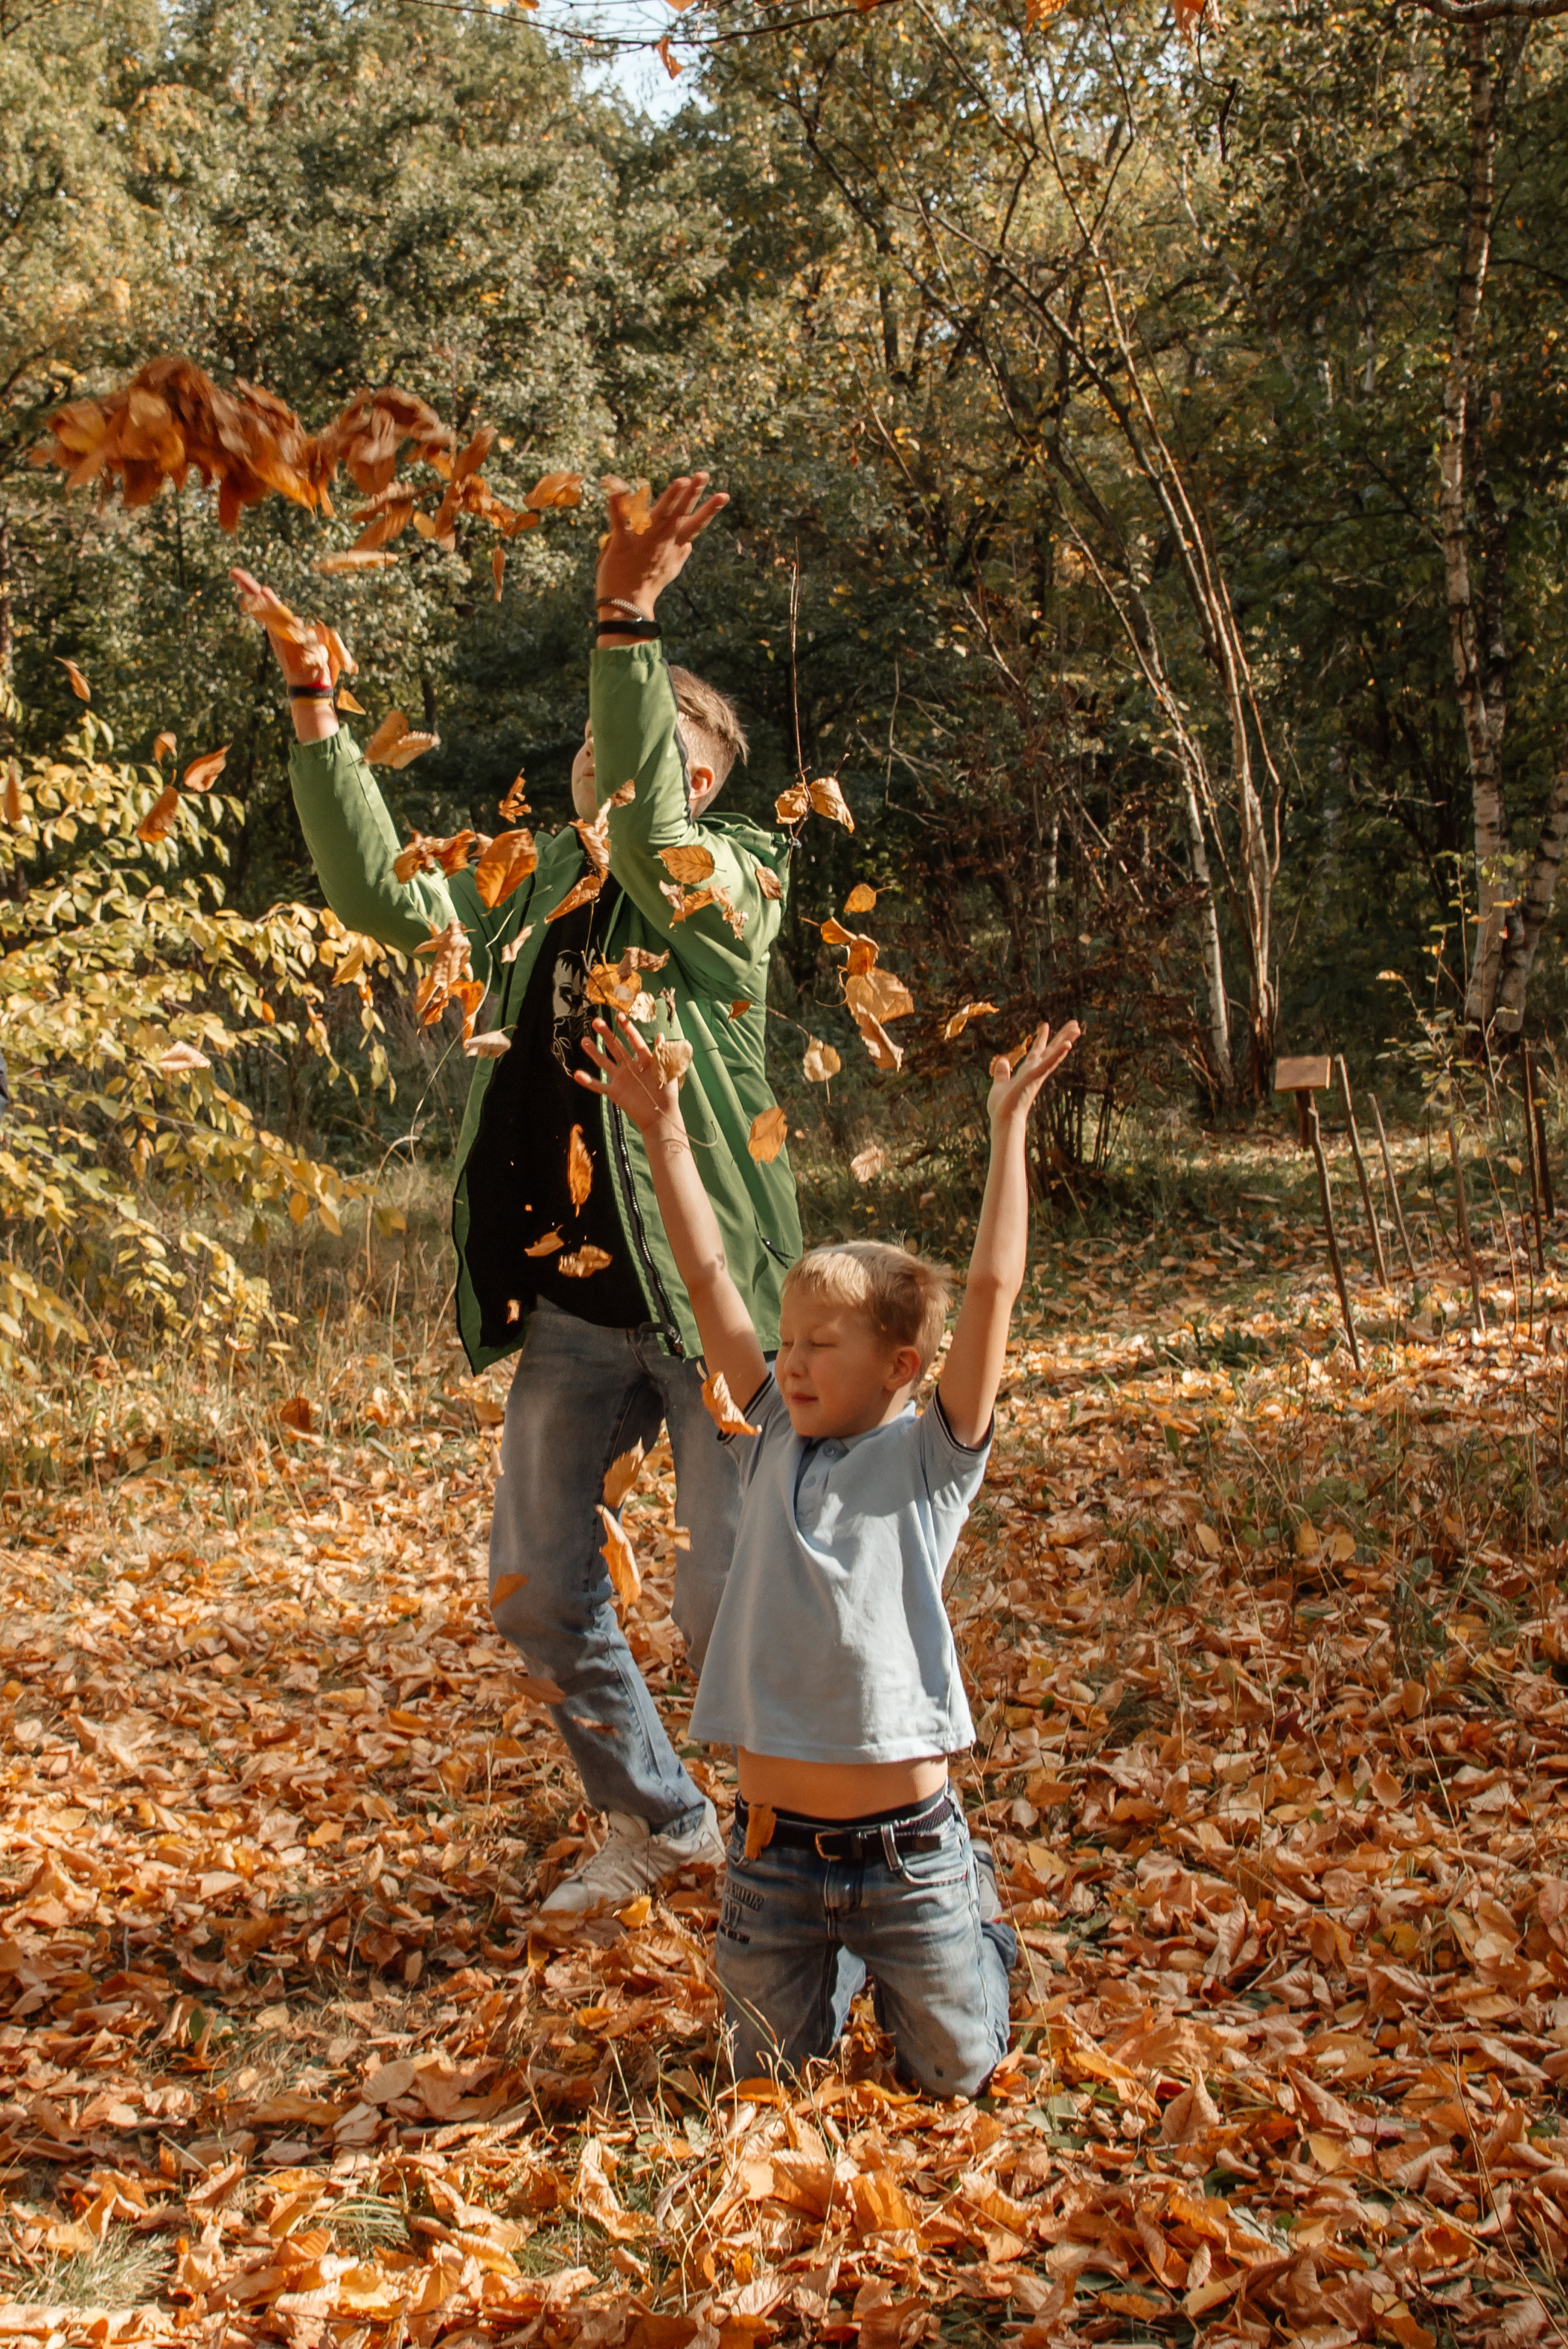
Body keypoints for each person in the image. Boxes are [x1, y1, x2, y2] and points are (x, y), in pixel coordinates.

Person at [231, 472, 801, 1917]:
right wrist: (317, 716)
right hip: (569, 1308)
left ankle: (805, 1834)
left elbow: (663, 839)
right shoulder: (530, 883)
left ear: (703, 780)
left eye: (650, 754)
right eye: (598, 753)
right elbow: (379, 900)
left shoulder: (734, 872)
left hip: (715, 1304)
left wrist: (628, 621)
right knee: (542, 1590)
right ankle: (659, 1817)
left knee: (733, 1600)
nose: (608, 772)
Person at [577, 1007, 1081, 2094]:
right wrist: (663, 1130)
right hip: (773, 1862)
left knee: (954, 2075)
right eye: (787, 1342)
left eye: (820, 1347)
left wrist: (1007, 1133)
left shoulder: (930, 1463)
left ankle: (971, 1932)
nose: (790, 1364)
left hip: (911, 1858)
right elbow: (710, 1282)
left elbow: (991, 1295)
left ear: (901, 1366)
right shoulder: (762, 1441)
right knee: (767, 2082)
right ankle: (837, 1972)